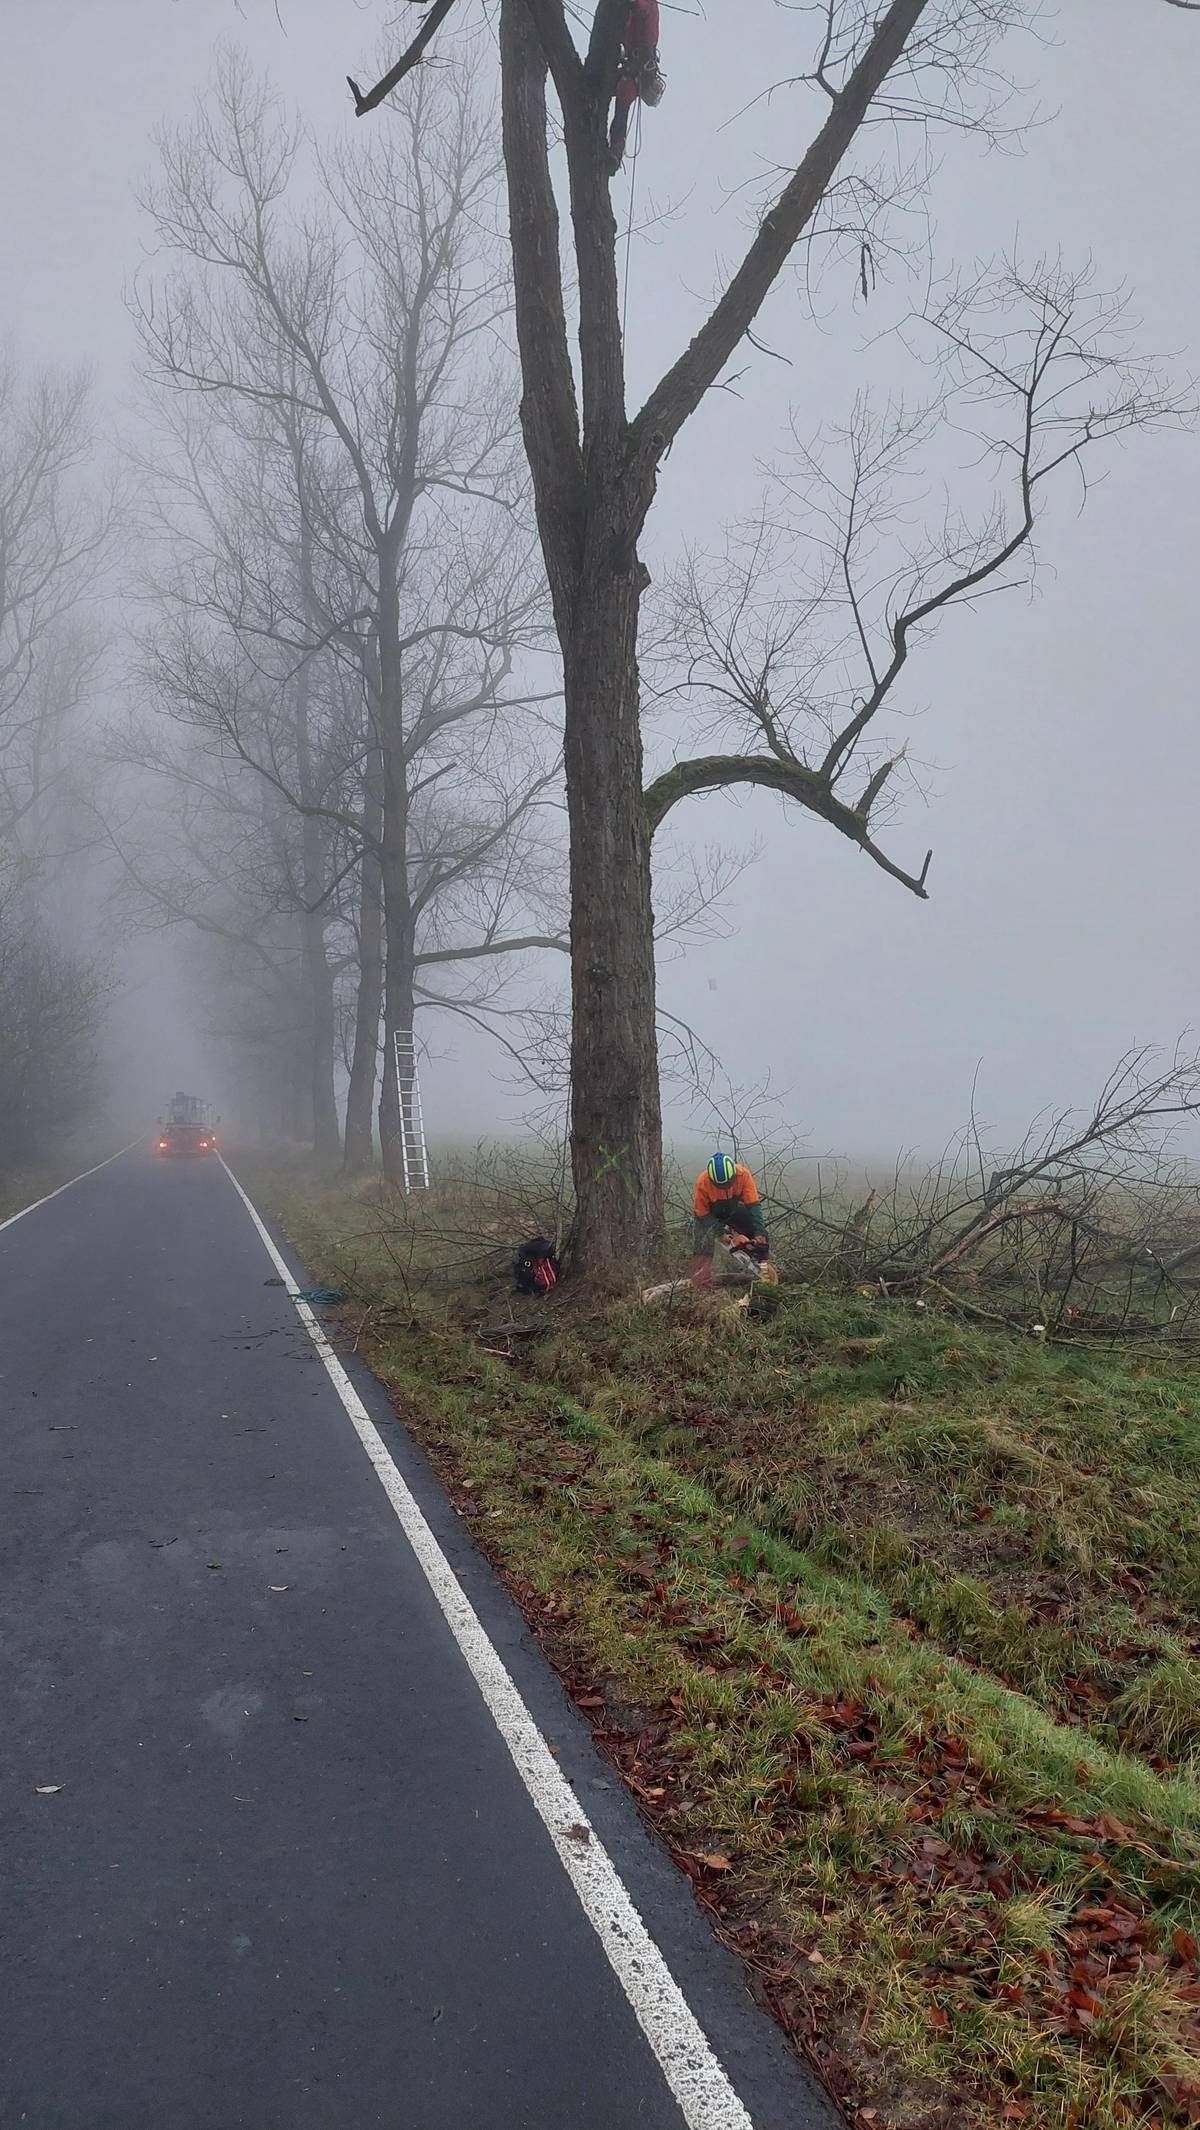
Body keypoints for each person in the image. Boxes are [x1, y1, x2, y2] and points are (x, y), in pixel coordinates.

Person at [691, 1153, 769, 1289]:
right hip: (710, 1215)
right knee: (703, 1245)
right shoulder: (702, 1182)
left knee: (753, 1225)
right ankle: (702, 1284)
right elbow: (702, 1214)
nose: (725, 1187)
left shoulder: (743, 1175)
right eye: (720, 1186)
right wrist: (721, 1233)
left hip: (732, 1209)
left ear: (733, 1174)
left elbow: (753, 1205)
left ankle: (764, 1267)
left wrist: (759, 1232)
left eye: (728, 1183)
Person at [608, 0, 665, 174]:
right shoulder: (628, 17)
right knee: (605, 86)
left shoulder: (648, 4)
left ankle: (616, 151)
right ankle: (615, 150)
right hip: (632, 67)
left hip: (639, 70)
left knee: (623, 100)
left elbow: (641, 6)